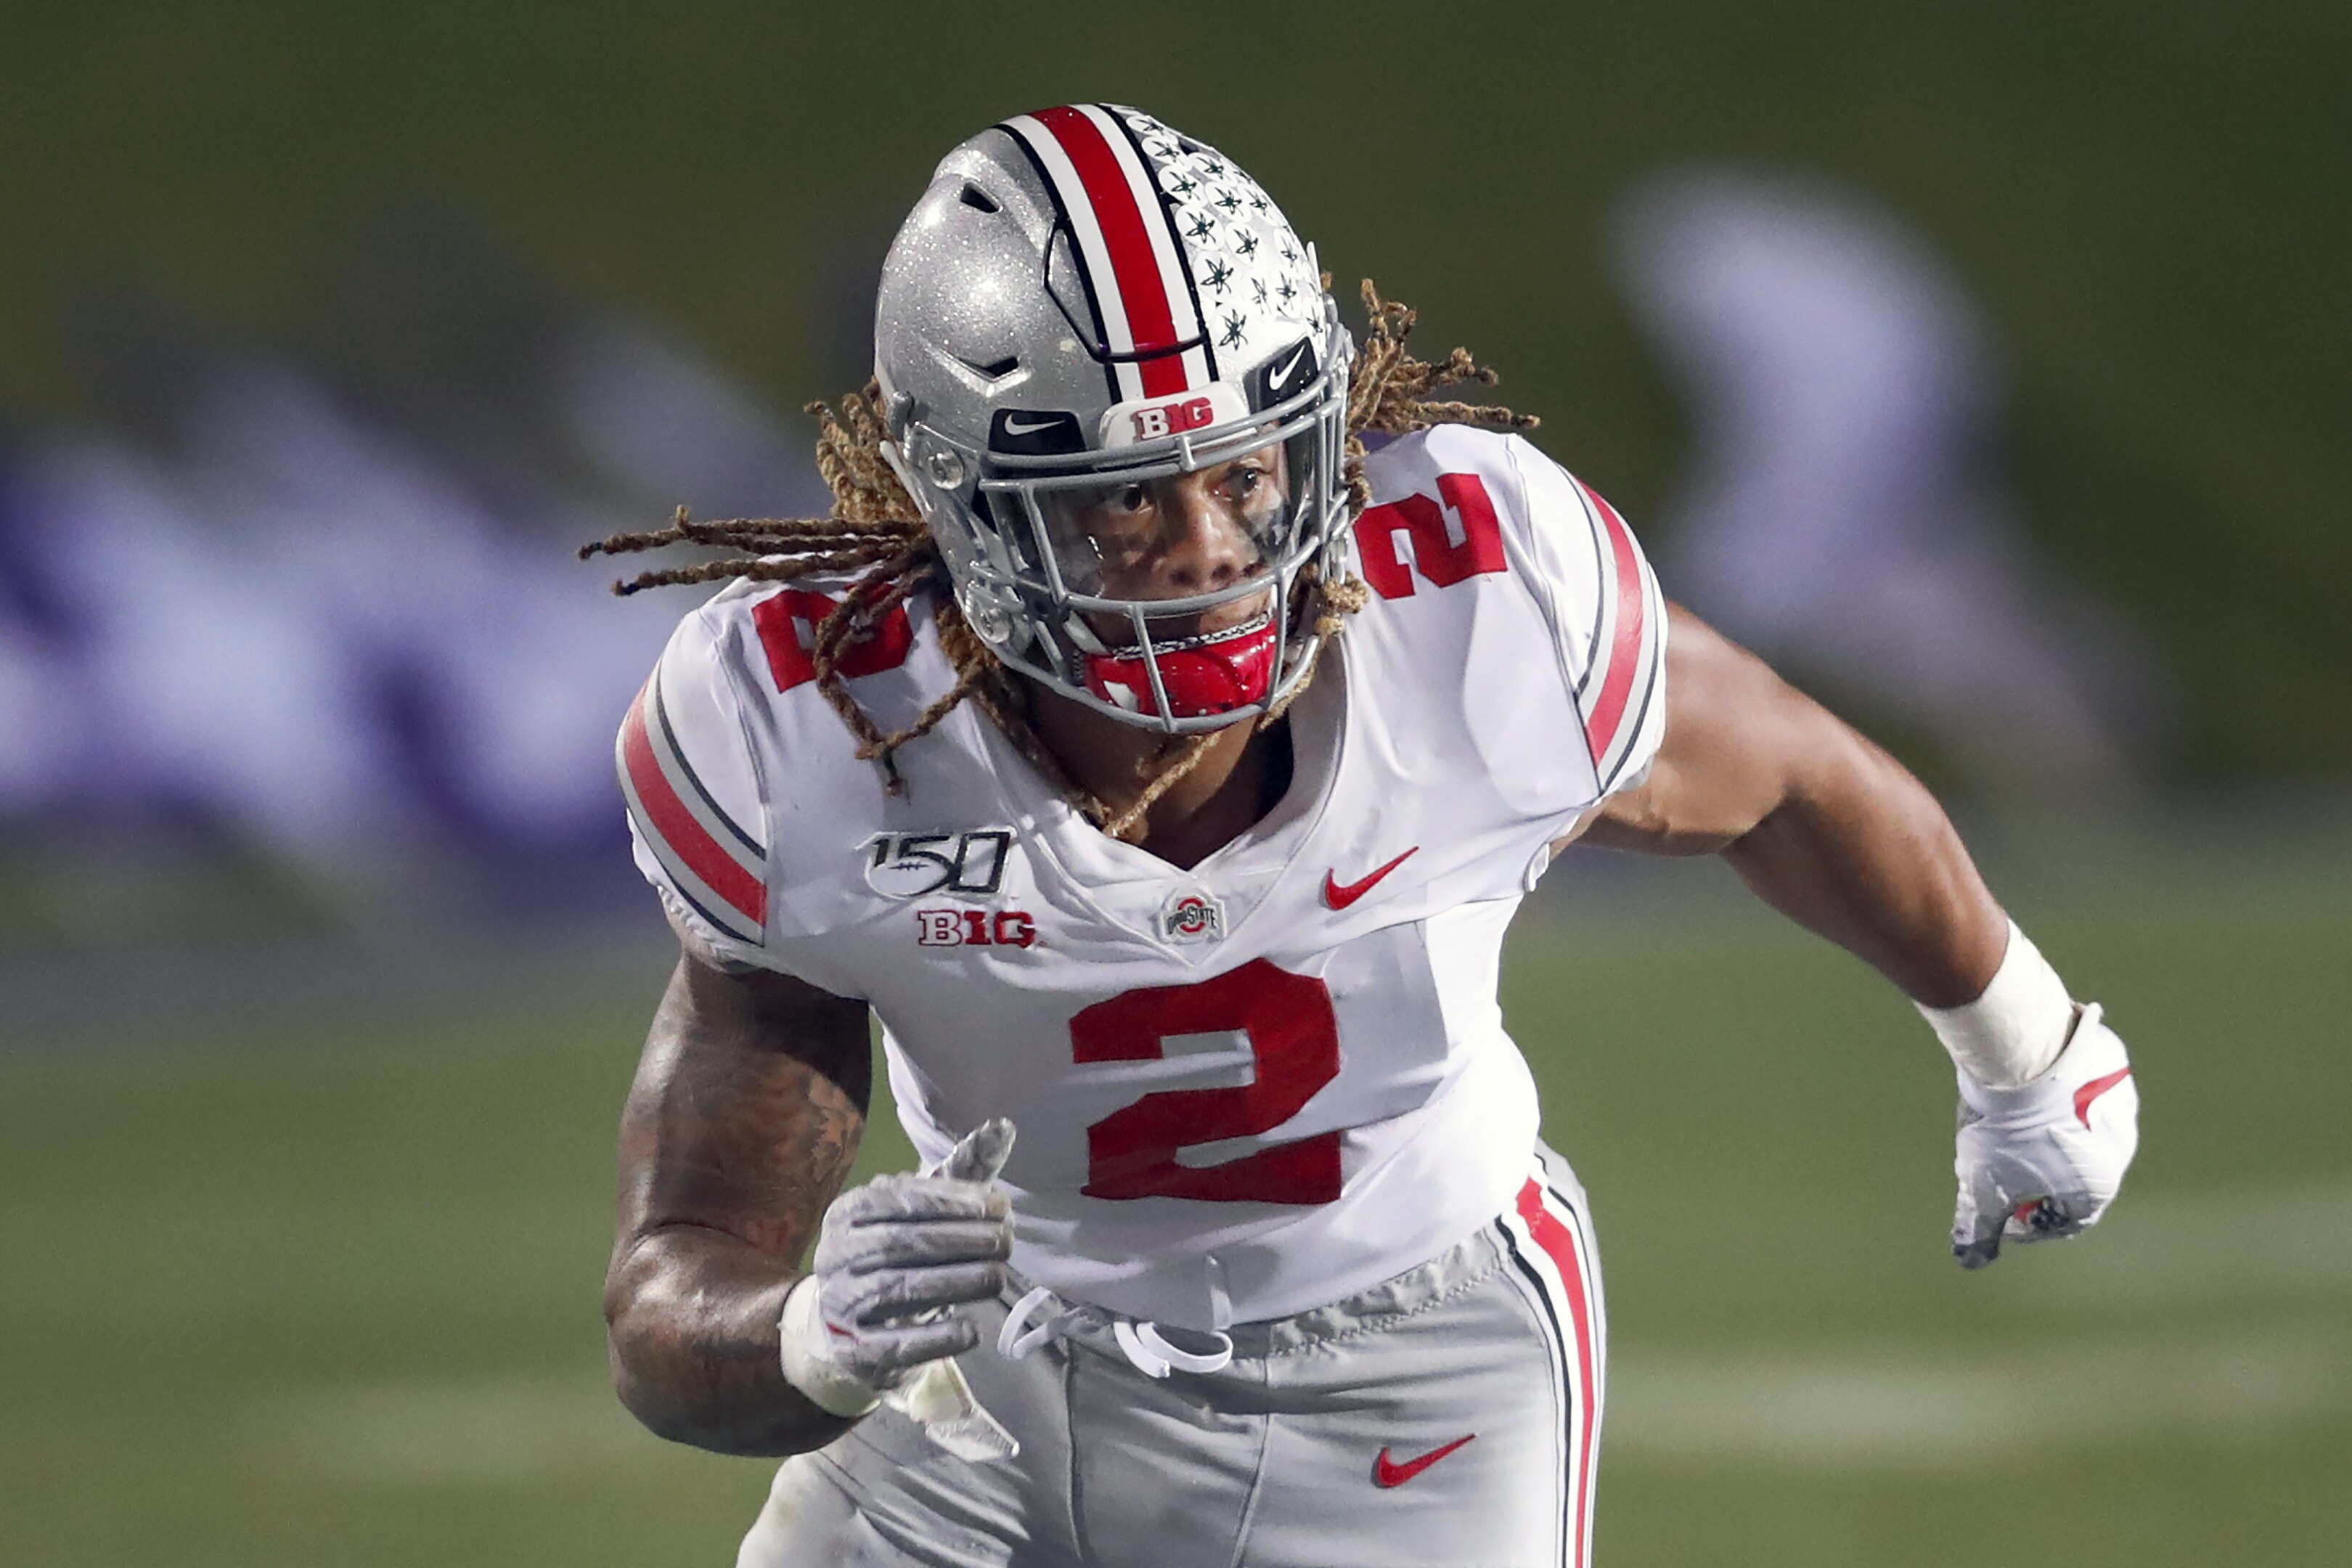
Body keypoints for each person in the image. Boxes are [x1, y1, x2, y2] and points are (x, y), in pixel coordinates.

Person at [592, 105, 2139, 1568]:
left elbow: (1793, 778)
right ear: (964, 503)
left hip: (1415, 1365)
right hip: (995, 1374)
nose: (1209, 550)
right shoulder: (810, 731)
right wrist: (810, 1340)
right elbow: (672, 1306)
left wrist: (2025, 1045)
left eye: (1246, 469)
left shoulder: (1477, 605)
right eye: (1124, 503)